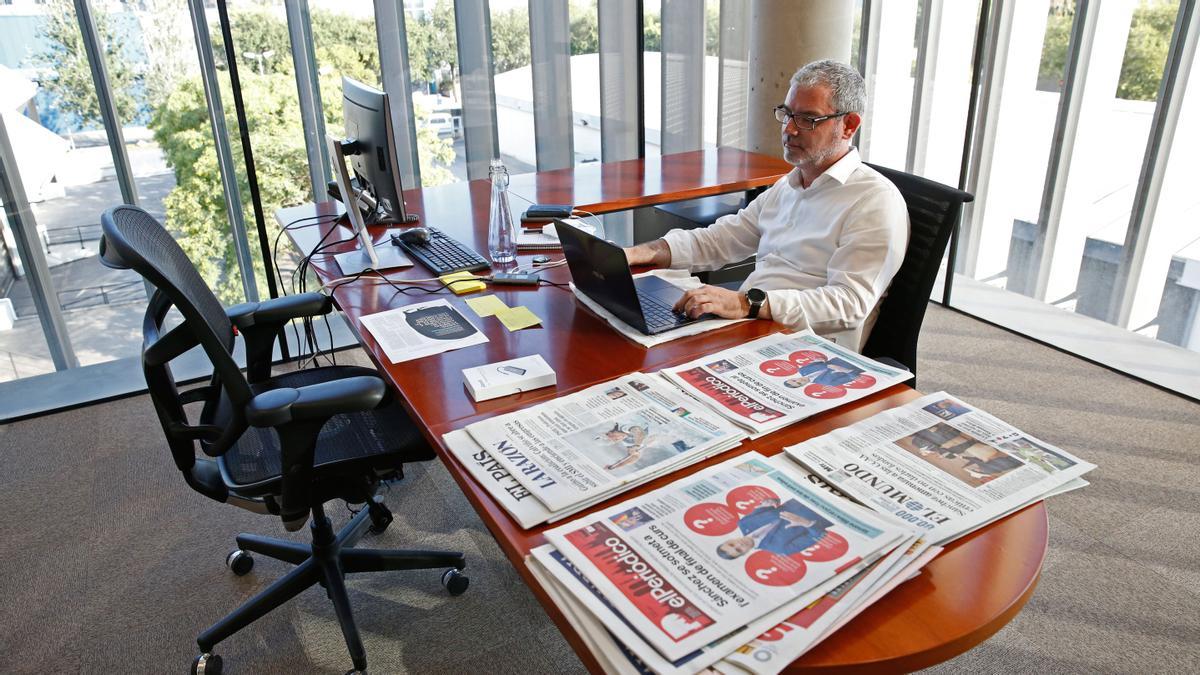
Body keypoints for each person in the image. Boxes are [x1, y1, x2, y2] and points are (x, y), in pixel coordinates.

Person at [623, 60, 908, 351]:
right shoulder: (791, 184)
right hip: (752, 324)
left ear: (848, 126)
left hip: (806, 347)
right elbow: (721, 240)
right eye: (787, 114)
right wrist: (639, 253)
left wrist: (747, 303)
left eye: (808, 119)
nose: (790, 130)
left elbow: (849, 304)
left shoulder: (875, 201)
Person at [716, 499, 833, 559]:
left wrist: (770, 501)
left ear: (729, 540)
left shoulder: (744, 523)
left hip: (801, 498)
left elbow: (772, 503)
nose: (739, 545)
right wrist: (805, 523)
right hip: (824, 512)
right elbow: (820, 535)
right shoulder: (781, 549)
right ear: (745, 553)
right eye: (738, 550)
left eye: (731, 544)